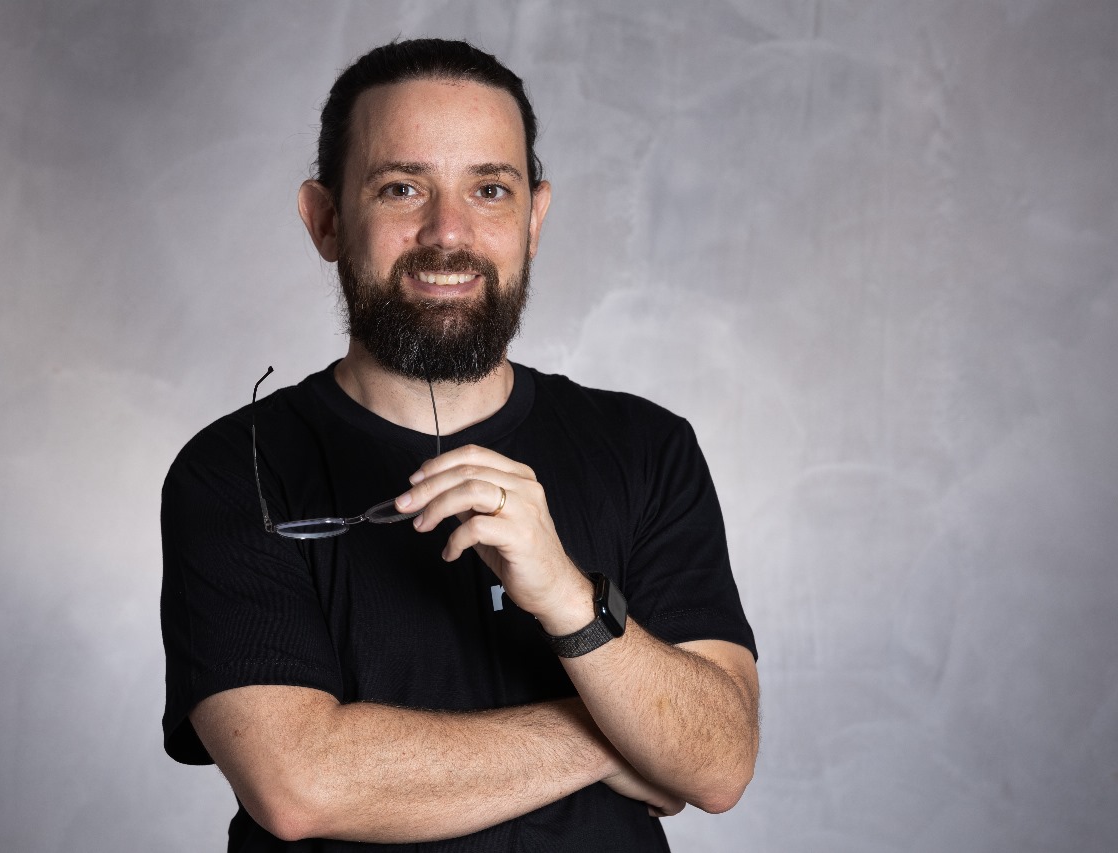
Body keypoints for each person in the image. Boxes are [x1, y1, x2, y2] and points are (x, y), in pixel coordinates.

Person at [161, 38, 759, 852]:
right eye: (401, 188)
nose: (449, 232)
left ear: (533, 219)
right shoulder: (237, 469)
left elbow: (719, 762)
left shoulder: (648, 448)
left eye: (490, 189)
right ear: (326, 219)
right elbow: (299, 784)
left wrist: (568, 597)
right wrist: (616, 733)